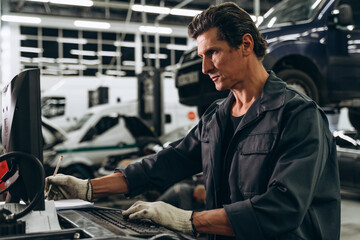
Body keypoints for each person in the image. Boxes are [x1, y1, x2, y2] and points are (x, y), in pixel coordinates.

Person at [45, 2, 341, 239]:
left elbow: (283, 208)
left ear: (246, 45)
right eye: (202, 55)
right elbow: (165, 163)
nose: (204, 67)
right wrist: (87, 189)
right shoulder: (217, 117)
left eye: (212, 52)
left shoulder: (298, 115)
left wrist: (188, 220)